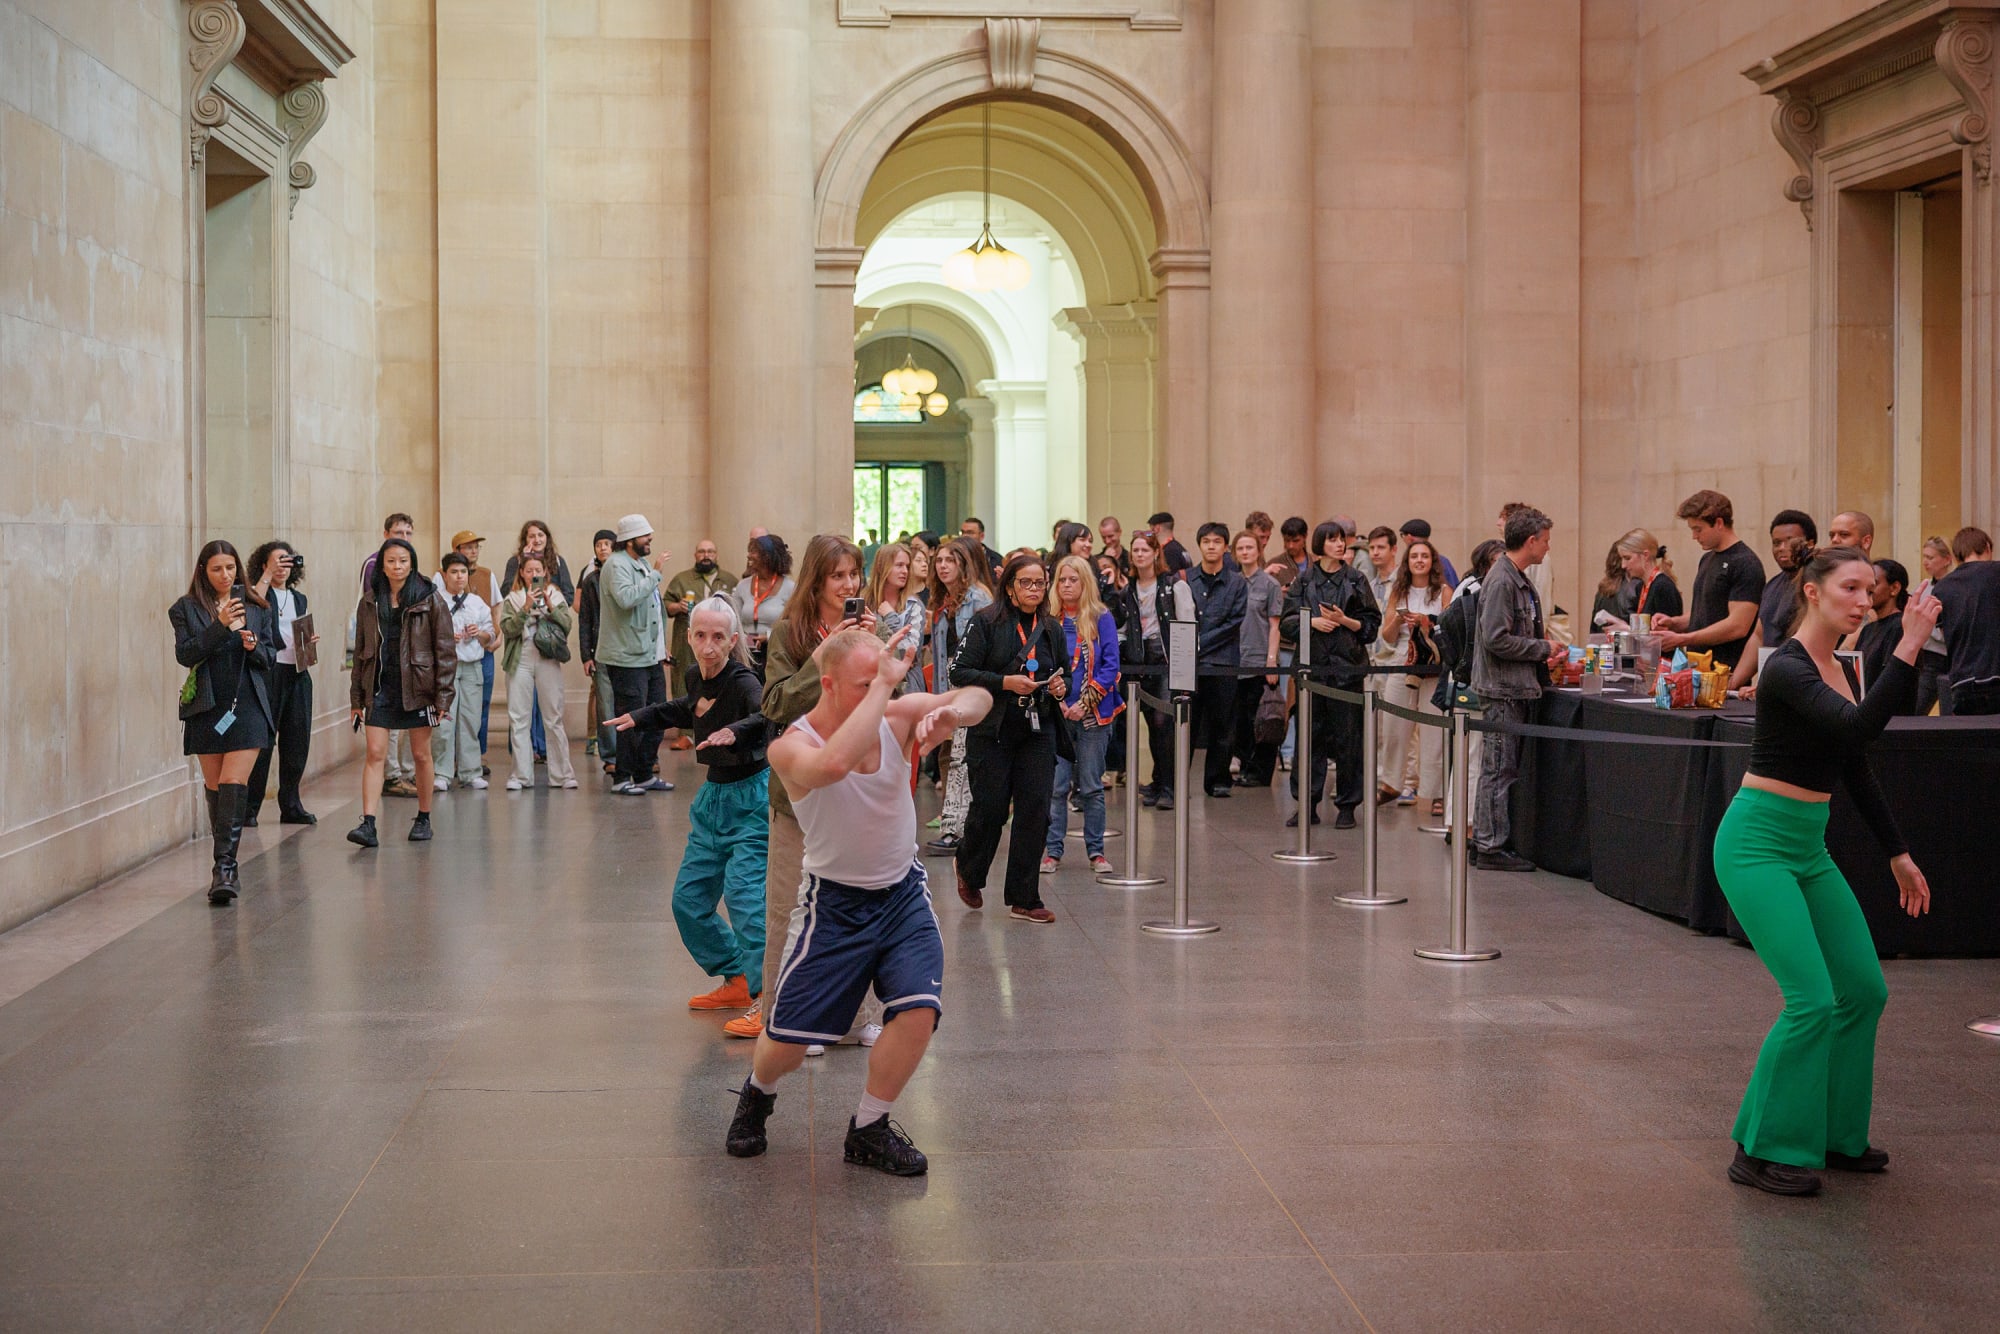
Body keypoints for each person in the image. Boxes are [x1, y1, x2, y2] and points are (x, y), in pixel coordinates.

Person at [1713, 547, 1939, 1196]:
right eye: (1850, 588)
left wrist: (1897, 851)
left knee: (1863, 990)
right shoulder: (1786, 667)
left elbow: (1853, 763)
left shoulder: (1842, 666)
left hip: (1807, 848)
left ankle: (1838, 1134)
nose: (1864, 601)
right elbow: (1862, 730)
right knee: (1810, 1000)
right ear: (1812, 592)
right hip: (1756, 845)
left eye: (1870, 590)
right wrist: (1910, 645)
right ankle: (1760, 1148)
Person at [724, 626, 992, 1174]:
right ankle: (758, 1091)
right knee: (786, 1046)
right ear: (828, 685)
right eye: (866, 684)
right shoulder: (790, 746)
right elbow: (832, 767)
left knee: (918, 1011)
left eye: (883, 682)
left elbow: (979, 696)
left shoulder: (894, 716)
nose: (881, 691)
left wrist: (951, 713)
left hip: (901, 895)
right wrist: (887, 690)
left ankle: (869, 1127)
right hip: (833, 907)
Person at [730, 534, 879, 1041]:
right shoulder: (790, 632)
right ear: (816, 581)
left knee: (856, 904)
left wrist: (878, 653)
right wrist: (826, 655)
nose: (848, 585)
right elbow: (774, 703)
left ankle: (856, 1018)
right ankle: (785, 1019)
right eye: (838, 576)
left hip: (856, 784)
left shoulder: (868, 629)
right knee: (789, 906)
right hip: (799, 791)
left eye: (854, 575)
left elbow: (889, 696)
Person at [611, 597, 773, 1014]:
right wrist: (641, 716)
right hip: (713, 801)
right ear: (688, 637)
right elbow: (686, 707)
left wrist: (736, 731)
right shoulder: (694, 676)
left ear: (732, 640)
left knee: (744, 897)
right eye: (700, 636)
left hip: (752, 799)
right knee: (688, 902)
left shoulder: (744, 683)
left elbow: (766, 716)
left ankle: (767, 1000)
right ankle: (738, 978)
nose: (708, 646)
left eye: (718, 637)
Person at [951, 553, 1068, 922]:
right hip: (993, 729)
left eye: (1039, 583)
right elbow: (959, 671)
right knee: (991, 809)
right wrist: (1004, 682)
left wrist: (1061, 687)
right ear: (1010, 587)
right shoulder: (985, 622)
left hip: (1038, 728)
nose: (1034, 589)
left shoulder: (1051, 628)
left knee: (1035, 809)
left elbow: (1063, 672)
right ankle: (969, 869)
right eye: (1025, 583)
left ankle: (1025, 897)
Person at [171, 540, 277, 904]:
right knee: (216, 787)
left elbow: (269, 656)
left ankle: (225, 869)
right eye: (217, 569)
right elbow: (186, 654)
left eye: (230, 568)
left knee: (234, 781)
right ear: (203, 571)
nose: (225, 575)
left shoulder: (258, 606)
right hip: (208, 706)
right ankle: (224, 866)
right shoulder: (186, 608)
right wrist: (220, 625)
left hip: (247, 704)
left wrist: (253, 646)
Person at [1470, 506, 1568, 872]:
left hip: (1512, 686)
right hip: (1503, 690)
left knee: (1500, 769)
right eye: (1545, 541)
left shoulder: (1515, 578)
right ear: (1530, 541)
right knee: (1498, 770)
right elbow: (1496, 639)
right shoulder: (1502, 580)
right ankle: (1490, 845)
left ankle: (1488, 838)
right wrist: (1543, 648)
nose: (1547, 547)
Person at [347, 538, 455, 848]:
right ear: (381, 565)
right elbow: (360, 655)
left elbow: (445, 652)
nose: (397, 566)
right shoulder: (370, 602)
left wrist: (443, 697)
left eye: (403, 561)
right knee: (375, 753)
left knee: (421, 754)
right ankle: (368, 824)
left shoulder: (429, 599)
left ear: (412, 564)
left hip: (418, 688)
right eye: (391, 561)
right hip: (380, 688)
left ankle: (423, 817)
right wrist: (356, 699)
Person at [1281, 524, 1380, 829]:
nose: (1339, 544)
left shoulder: (1356, 579)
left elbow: (1370, 627)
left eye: (1341, 539)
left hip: (1347, 671)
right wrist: (1312, 622)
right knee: (1309, 739)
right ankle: (1307, 803)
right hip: (1311, 671)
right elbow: (1287, 623)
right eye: (1332, 540)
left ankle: (1347, 805)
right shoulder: (1304, 580)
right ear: (1320, 544)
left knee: (1349, 740)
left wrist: (1343, 620)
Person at [1042, 555, 1122, 875]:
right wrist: (1059, 701)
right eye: (1061, 580)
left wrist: (1085, 703)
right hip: (1057, 714)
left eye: (1073, 580)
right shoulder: (1049, 619)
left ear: (1085, 582)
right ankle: (1052, 852)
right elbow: (1041, 663)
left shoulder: (1101, 617)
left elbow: (1111, 665)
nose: (1066, 585)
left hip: (1093, 716)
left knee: (1090, 786)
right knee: (1056, 788)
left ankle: (1096, 852)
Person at [921, 537, 994, 857]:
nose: (943, 566)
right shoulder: (942, 600)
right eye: (939, 561)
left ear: (964, 565)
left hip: (971, 685)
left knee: (961, 758)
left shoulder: (978, 597)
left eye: (950, 560)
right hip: (949, 685)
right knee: (954, 755)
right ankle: (959, 827)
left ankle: (955, 829)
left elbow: (988, 648)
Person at [242, 540, 318, 826]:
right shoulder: (259, 593)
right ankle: (250, 807)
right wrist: (266, 575)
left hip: (297, 673)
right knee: (263, 743)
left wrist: (308, 642)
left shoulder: (299, 599)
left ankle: (291, 804)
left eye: (287, 561)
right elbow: (252, 607)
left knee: (297, 741)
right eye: (277, 562)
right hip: (269, 673)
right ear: (264, 565)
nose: (282, 568)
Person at [599, 514, 672, 795]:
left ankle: (644, 774)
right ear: (630, 540)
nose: (650, 539)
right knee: (629, 719)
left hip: (650, 655)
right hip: (627, 657)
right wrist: (656, 574)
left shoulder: (640, 563)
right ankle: (622, 777)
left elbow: (653, 608)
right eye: (645, 536)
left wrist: (661, 645)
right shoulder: (616, 565)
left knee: (658, 714)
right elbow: (627, 598)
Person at [1379, 536, 1451, 816]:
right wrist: (1399, 619)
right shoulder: (1398, 592)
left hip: (1432, 666)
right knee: (1393, 725)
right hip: (1402, 660)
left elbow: (1449, 631)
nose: (1419, 560)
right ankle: (1391, 783)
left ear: (1432, 562)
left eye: (1424, 556)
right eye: (1414, 556)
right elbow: (1387, 636)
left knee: (1435, 732)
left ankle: (1435, 793)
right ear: (1407, 563)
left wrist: (1426, 622)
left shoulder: (1444, 592)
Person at [1657, 489, 1763, 675]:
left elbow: (1738, 626)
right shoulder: (1707, 559)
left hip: (1723, 672)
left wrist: (1684, 639)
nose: (1694, 536)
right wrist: (1674, 623)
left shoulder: (1745, 563)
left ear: (1719, 523)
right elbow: (1706, 613)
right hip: (1697, 669)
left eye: (1698, 529)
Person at [1177, 521, 1247, 799]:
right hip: (1190, 665)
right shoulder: (1185, 579)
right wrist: (1191, 645)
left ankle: (1218, 780)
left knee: (1223, 724)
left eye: (1217, 542)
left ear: (1226, 547)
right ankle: (1177, 780)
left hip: (1223, 662)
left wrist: (1199, 643)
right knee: (1187, 724)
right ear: (1199, 545)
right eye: (1206, 541)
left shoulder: (1237, 582)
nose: (1211, 546)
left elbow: (1234, 622)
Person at [498, 551, 578, 792]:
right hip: (520, 658)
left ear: (546, 572)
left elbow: (567, 625)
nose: (534, 574)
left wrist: (550, 606)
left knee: (553, 717)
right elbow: (507, 629)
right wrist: (525, 607)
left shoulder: (555, 594)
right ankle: (521, 775)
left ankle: (562, 775)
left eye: (538, 570)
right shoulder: (513, 598)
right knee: (518, 718)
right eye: (529, 570)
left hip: (547, 658)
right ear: (522, 573)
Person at [361, 513, 420, 797]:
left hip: (408, 657)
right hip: (383, 656)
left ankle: (407, 772)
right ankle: (392, 775)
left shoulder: (411, 565)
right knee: (389, 724)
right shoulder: (374, 564)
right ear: (386, 534)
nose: (404, 538)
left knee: (410, 722)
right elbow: (374, 606)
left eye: (408, 533)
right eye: (398, 533)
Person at [433, 553, 496, 790]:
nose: (459, 577)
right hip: (446, 667)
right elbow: (426, 635)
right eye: (454, 572)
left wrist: (478, 633)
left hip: (471, 666)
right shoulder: (436, 601)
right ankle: (442, 772)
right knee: (444, 722)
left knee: (471, 719)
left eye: (463, 572)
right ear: (444, 575)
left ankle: (470, 771)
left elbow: (490, 635)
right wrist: (447, 637)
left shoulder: (477, 603)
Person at [1124, 531, 1177, 810]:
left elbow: (1186, 621)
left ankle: (1169, 786)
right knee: (1150, 724)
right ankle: (1158, 782)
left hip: (1166, 659)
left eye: (1145, 549)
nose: (1140, 554)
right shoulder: (1128, 588)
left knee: (1162, 721)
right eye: (1136, 550)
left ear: (1156, 553)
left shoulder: (1171, 584)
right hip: (1140, 659)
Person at [1229, 530, 1284, 789]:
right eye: (1240, 548)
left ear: (1259, 551)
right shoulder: (1232, 583)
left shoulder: (1270, 584)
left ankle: (1261, 772)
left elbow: (1275, 625)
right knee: (1241, 720)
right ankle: (1244, 766)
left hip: (1261, 661)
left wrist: (1271, 661)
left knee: (1264, 718)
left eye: (1250, 547)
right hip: (1235, 662)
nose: (1245, 552)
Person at [1740, 510, 1818, 681]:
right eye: (1776, 543)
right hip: (1772, 679)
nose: (1781, 548)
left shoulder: (1818, 584)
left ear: (1810, 543)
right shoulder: (1771, 586)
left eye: (1789, 541)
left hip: (1804, 679)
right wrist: (1732, 684)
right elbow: (1758, 636)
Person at [449, 529, 502, 766]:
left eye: (476, 547)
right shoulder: (442, 575)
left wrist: (497, 634)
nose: (473, 551)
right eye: (468, 547)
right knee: (451, 707)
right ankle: (451, 757)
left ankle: (476, 756)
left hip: (482, 647)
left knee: (481, 702)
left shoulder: (486, 574)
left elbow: (497, 606)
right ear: (457, 550)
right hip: (454, 653)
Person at [1934, 526, 2000, 715]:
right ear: (1987, 547)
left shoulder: (1941, 588)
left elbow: (1944, 635)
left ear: (1955, 556)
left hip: (1962, 683)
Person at [665, 539, 739, 707]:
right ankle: (685, 722)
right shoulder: (681, 579)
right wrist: (677, 606)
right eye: (702, 552)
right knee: (684, 682)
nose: (706, 556)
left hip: (719, 643)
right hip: (687, 644)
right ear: (695, 555)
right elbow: (665, 606)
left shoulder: (729, 580)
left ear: (716, 555)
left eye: (710, 552)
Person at [575, 528, 616, 762]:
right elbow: (585, 620)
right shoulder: (591, 580)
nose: (602, 548)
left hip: (627, 649)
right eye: (598, 544)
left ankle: (634, 755)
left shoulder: (627, 576)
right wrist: (585, 655)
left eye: (607, 544)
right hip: (600, 649)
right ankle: (610, 756)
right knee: (605, 704)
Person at [865, 541, 927, 694]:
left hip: (906, 686)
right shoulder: (865, 603)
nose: (905, 571)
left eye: (907, 566)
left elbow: (908, 654)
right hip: (870, 683)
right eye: (899, 565)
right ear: (883, 567)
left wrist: (891, 617)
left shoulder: (914, 605)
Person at [1595, 528, 1681, 632]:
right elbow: (1645, 631)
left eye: (1627, 558)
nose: (1623, 565)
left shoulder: (1662, 586)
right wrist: (1622, 624)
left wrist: (1627, 629)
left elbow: (1667, 635)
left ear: (1645, 555)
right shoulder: (1640, 587)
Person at [736, 534, 795, 676]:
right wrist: (743, 638)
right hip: (746, 654)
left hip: (776, 653)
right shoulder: (742, 586)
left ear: (768, 556)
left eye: (754, 551)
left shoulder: (790, 588)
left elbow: (795, 624)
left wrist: (768, 636)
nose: (749, 556)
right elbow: (734, 618)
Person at [1856, 558, 1910, 703]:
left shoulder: (1900, 627)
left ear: (1894, 588)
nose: (1868, 591)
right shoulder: (1868, 630)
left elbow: (1892, 679)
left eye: (1874, 584)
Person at [1913, 535, 1954, 713]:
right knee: (1916, 708)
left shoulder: (1954, 587)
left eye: (1930, 557)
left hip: (1945, 655)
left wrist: (1926, 627)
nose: (1925, 562)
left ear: (1947, 559)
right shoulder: (1924, 588)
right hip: (1926, 656)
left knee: (1948, 710)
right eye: (1924, 557)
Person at [1400, 518, 1458, 587]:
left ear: (1409, 538)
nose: (1419, 560)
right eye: (1414, 556)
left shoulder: (1408, 562)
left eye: (1402, 535)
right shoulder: (1444, 561)